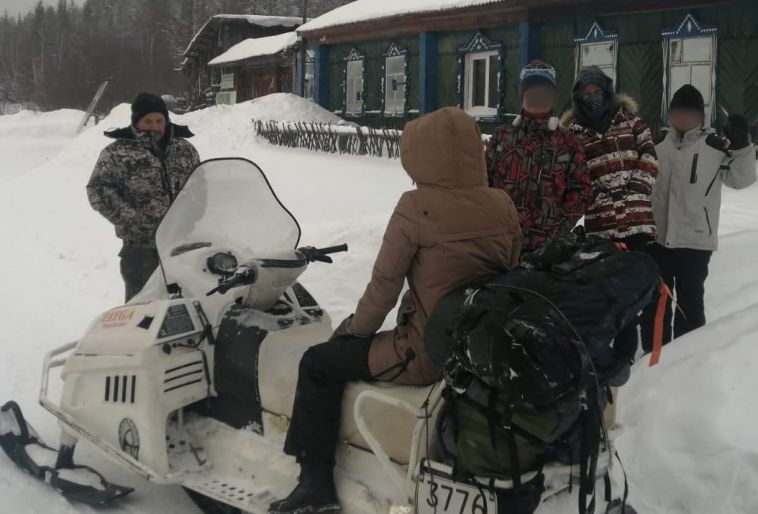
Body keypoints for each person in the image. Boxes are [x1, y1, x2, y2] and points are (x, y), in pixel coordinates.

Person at [269, 107, 522, 514]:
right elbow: (509, 268)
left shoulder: (415, 206)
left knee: (318, 362)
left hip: (425, 353)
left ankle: (314, 484)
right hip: (477, 347)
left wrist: (353, 330)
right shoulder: (501, 203)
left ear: (421, 153)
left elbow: (383, 290)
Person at [640, 85, 757, 348]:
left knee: (689, 306)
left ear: (700, 117)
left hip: (695, 243)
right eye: (677, 113)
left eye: (689, 114)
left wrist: (742, 146)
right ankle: (653, 358)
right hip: (657, 242)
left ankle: (687, 360)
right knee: (655, 306)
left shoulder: (714, 147)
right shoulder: (655, 147)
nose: (682, 118)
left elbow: (741, 178)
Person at [87, 93, 200, 301]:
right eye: (147, 121)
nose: (154, 126)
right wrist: (129, 217)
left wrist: (195, 213)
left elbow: (199, 185)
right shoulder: (117, 153)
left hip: (181, 245)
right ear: (136, 122)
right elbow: (98, 189)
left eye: (159, 120)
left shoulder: (184, 150)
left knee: (189, 306)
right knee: (141, 310)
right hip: (141, 248)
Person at [486, 60, 591, 253]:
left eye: (544, 94)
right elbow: (483, 183)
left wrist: (559, 229)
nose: (538, 98)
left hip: (546, 251)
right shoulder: (502, 137)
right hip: (500, 245)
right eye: (532, 93)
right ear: (522, 96)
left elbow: (580, 191)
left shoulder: (569, 143)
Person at [561, 66, 658, 251]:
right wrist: (596, 196)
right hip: (601, 224)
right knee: (607, 278)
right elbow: (576, 174)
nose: (593, 97)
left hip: (638, 219)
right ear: (578, 98)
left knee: (641, 276)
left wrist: (638, 187)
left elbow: (649, 154)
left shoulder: (631, 122)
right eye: (587, 94)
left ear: (607, 92)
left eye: (597, 91)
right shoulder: (573, 136)